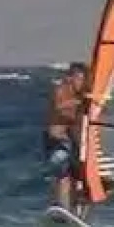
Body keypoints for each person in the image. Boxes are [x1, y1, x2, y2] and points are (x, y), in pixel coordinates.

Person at [44, 63, 90, 210]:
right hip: (57, 140)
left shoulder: (81, 94)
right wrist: (82, 103)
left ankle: (75, 211)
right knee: (62, 173)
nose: (83, 83)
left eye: (85, 80)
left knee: (80, 177)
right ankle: (61, 207)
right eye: (80, 79)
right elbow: (61, 108)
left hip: (74, 141)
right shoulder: (61, 91)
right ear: (70, 78)